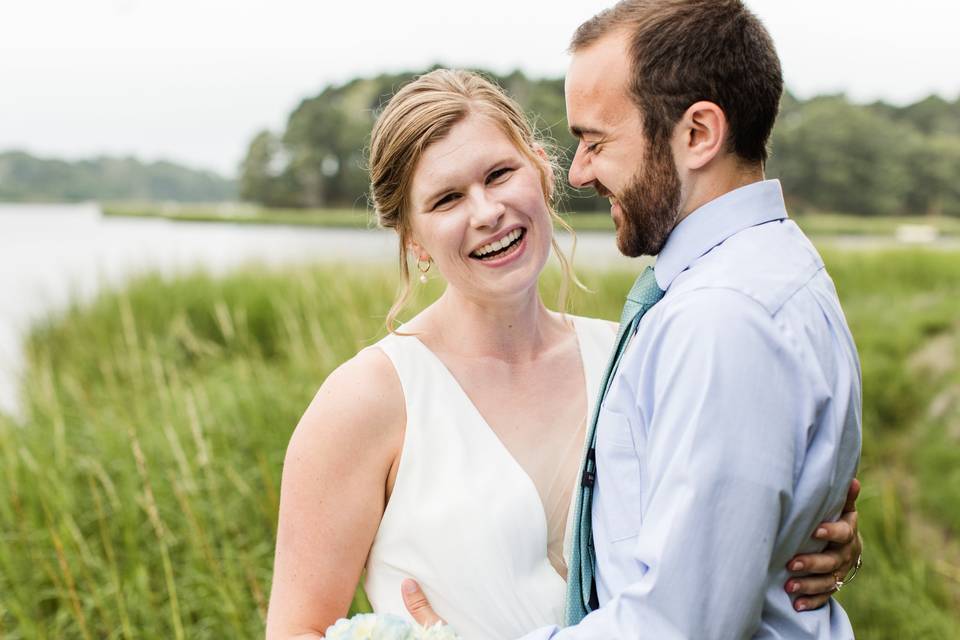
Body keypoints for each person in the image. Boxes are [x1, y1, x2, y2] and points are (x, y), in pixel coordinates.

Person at [264, 66, 861, 640]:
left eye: (499, 175)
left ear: (543, 173)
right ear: (413, 238)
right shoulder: (368, 399)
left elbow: (709, 552)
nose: (487, 211)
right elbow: (295, 629)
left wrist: (794, 541)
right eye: (446, 200)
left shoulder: (634, 351)